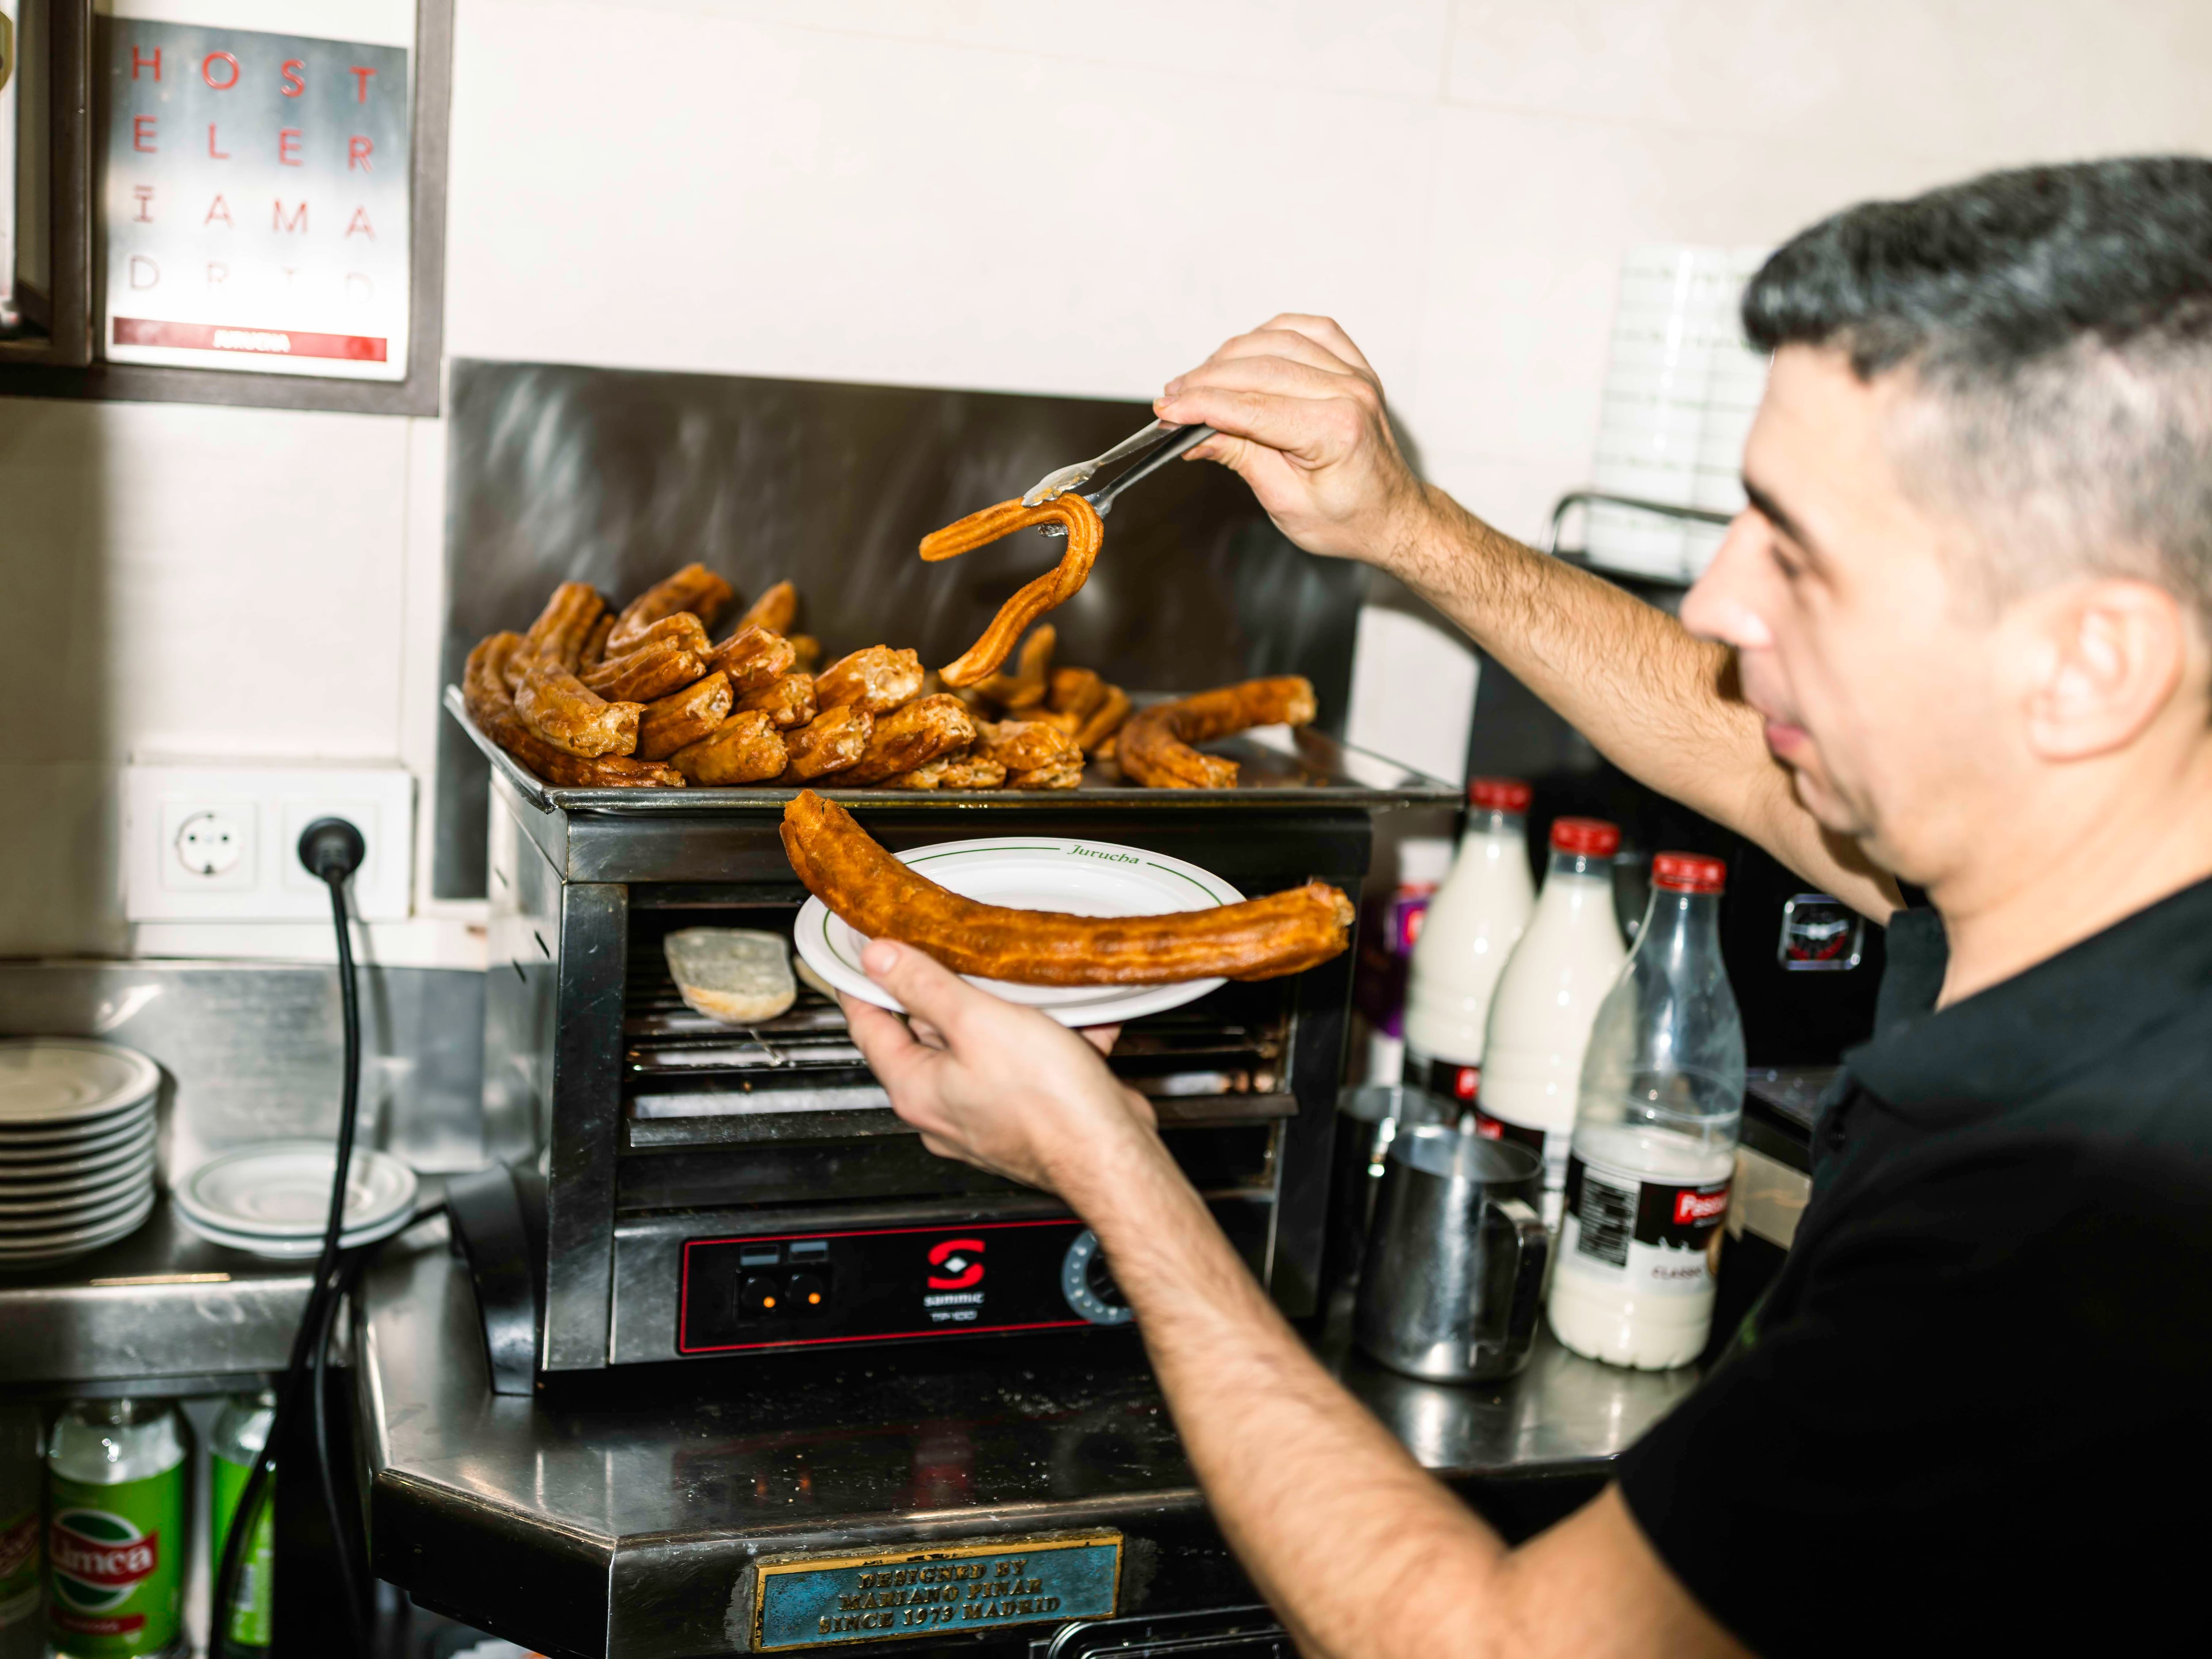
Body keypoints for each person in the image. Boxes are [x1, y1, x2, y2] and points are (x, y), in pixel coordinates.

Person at [840, 156, 2212, 1655]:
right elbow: (1747, 759)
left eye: (1798, 557)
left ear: (2093, 667)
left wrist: (1114, 1170)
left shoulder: (2061, 1239)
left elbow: (1486, 1647)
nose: (1716, 604)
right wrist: (1406, 526)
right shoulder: (2093, 878)